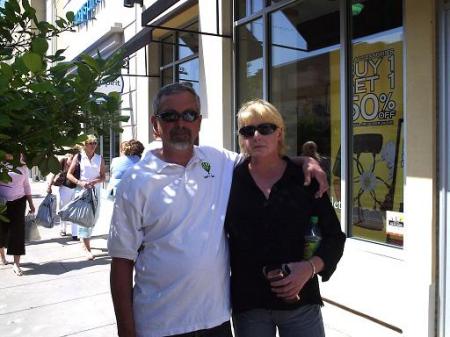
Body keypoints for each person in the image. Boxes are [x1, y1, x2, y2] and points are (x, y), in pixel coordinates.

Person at [108, 83, 329, 337]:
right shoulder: (136, 181)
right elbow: (122, 262)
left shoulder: (215, 161)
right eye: (169, 115)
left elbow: (264, 159)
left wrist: (306, 161)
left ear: (199, 122)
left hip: (216, 322)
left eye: (189, 115)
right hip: (159, 324)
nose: (180, 122)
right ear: (155, 123)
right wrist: (126, 331)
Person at [225, 99, 346, 337]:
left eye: (265, 129)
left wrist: (309, 268)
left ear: (279, 133)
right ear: (241, 137)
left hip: (301, 301)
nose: (257, 136)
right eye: (248, 131)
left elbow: (335, 237)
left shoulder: (305, 179)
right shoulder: (228, 180)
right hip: (250, 304)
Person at [67, 135, 105, 260]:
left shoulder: (99, 158)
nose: (93, 145)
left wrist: (94, 182)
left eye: (95, 142)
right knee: (85, 217)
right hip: (82, 190)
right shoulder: (78, 157)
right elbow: (69, 175)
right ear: (85, 144)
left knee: (95, 216)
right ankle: (86, 247)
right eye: (90, 143)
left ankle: (84, 239)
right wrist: (81, 183)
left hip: (95, 190)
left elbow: (103, 177)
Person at [0, 154, 35, 276]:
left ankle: (16, 263)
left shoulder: (23, 167)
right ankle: (2, 257)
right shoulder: (1, 164)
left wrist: (31, 203)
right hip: (2, 202)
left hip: (19, 201)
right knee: (2, 231)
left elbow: (26, 185)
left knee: (17, 232)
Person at [47, 149, 80, 239]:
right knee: (63, 209)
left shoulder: (80, 161)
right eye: (74, 151)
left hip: (77, 189)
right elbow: (54, 173)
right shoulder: (64, 160)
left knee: (75, 211)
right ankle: (63, 229)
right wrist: (49, 185)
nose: (75, 153)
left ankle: (75, 233)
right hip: (65, 188)